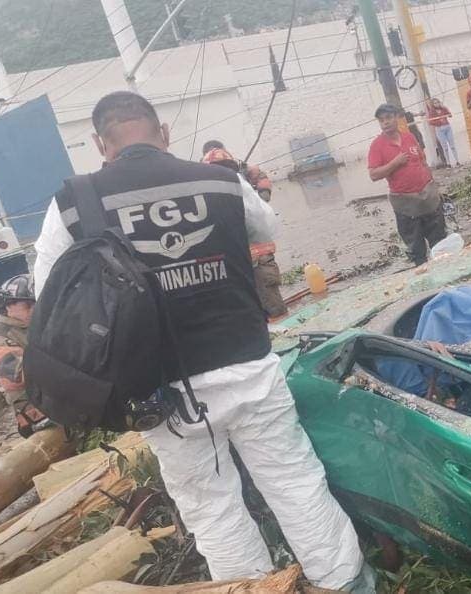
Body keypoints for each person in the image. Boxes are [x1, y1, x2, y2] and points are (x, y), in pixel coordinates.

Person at [32, 91, 376, 594]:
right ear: (163, 132)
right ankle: (345, 583)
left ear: (100, 144)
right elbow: (268, 226)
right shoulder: (220, 179)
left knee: (211, 507)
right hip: (247, 366)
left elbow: (51, 292)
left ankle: (254, 588)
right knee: (294, 480)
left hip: (159, 390)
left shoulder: (73, 201)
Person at [201, 145, 288, 319]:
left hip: (251, 259)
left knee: (264, 304)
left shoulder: (224, 188)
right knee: (267, 302)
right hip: (257, 258)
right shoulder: (238, 182)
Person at [367, 103, 447, 266]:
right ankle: (425, 276)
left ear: (397, 117)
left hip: (427, 199)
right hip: (406, 204)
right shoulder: (377, 146)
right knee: (417, 250)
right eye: (381, 120)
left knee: (439, 243)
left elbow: (422, 160)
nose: (385, 123)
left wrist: (431, 184)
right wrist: (394, 163)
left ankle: (444, 272)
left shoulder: (409, 137)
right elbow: (373, 174)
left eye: (388, 118)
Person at [0, 274, 49, 438]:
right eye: (27, 305)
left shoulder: (35, 326)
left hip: (56, 400)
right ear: (9, 307)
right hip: (36, 414)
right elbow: (19, 376)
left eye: (36, 303)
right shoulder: (0, 339)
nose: (34, 309)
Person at [202, 140, 272, 202]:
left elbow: (256, 173)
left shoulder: (201, 172)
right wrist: (264, 192)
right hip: (240, 203)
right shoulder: (238, 165)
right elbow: (258, 174)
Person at [425, 98, 460, 168]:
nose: (437, 104)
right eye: (435, 103)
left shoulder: (443, 109)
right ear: (433, 104)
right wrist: (439, 122)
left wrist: (445, 108)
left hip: (447, 127)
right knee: (445, 147)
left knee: (452, 145)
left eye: (437, 102)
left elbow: (450, 115)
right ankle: (448, 163)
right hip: (439, 129)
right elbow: (430, 122)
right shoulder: (432, 112)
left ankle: (457, 161)